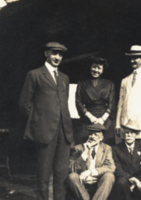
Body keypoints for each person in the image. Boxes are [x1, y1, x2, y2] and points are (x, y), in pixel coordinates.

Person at [19, 42, 73, 200]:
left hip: (64, 132)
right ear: (46, 54)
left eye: (60, 54)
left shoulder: (64, 78)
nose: (57, 57)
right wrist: (38, 122)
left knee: (61, 175)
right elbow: (24, 104)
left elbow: (64, 102)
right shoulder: (34, 74)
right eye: (54, 53)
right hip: (44, 131)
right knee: (43, 175)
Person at [112, 120, 141, 200]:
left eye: (132, 133)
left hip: (140, 177)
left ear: (136, 135)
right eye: (127, 132)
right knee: (121, 182)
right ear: (123, 134)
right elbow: (118, 169)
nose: (129, 135)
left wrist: (140, 181)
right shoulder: (116, 148)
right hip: (125, 177)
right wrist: (134, 180)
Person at [67, 123, 116, 200]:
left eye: (95, 134)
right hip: (82, 182)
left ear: (101, 138)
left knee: (109, 176)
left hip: (99, 182)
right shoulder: (78, 148)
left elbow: (111, 167)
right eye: (90, 134)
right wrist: (84, 154)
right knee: (72, 176)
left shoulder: (107, 148)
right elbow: (71, 168)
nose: (92, 136)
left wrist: (91, 172)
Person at [76, 57, 115, 145]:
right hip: (87, 118)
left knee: (105, 146)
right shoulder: (82, 83)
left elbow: (111, 103)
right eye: (94, 67)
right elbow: (78, 101)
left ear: (103, 70)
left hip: (104, 119)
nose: (96, 70)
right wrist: (91, 117)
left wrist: (102, 119)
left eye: (99, 68)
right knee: (83, 144)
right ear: (90, 67)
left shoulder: (109, 84)